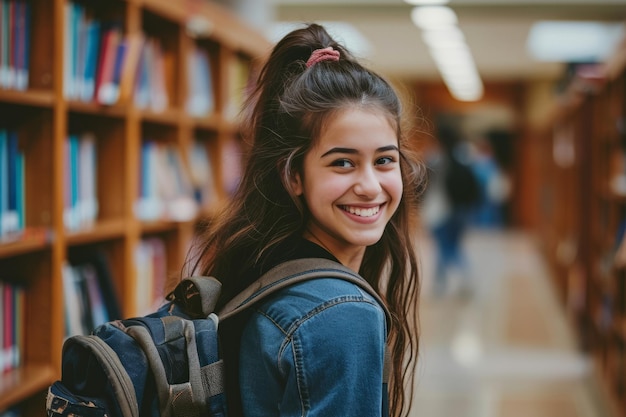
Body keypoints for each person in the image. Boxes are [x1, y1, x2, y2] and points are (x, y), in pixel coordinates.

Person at [184, 23, 426, 417]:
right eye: (342, 163)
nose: (369, 186)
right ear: (294, 176)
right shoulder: (341, 314)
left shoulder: (267, 268)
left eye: (384, 160)